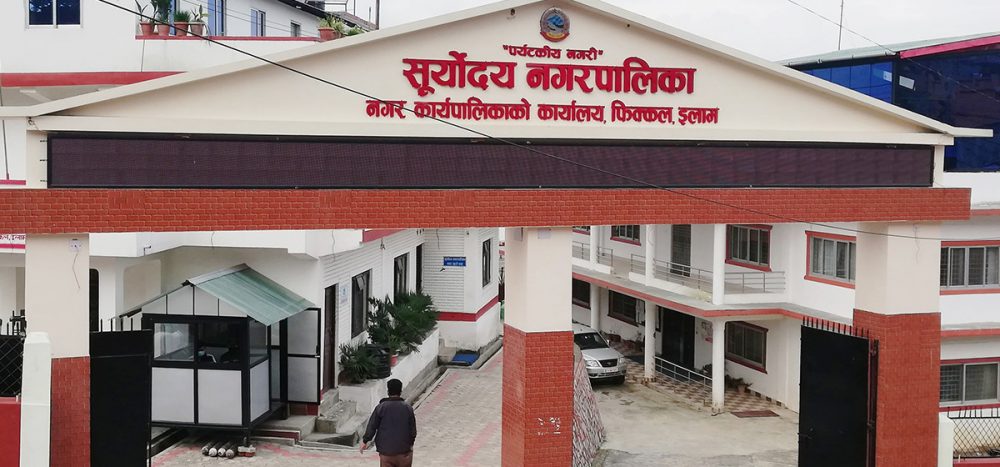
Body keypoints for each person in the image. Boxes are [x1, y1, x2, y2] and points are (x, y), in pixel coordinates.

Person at [360, 378, 417, 467]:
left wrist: (365, 441)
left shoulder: (381, 408)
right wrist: (410, 444)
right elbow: (413, 431)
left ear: (388, 391)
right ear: (400, 391)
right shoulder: (407, 408)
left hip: (386, 453)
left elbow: (372, 426)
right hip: (404, 452)